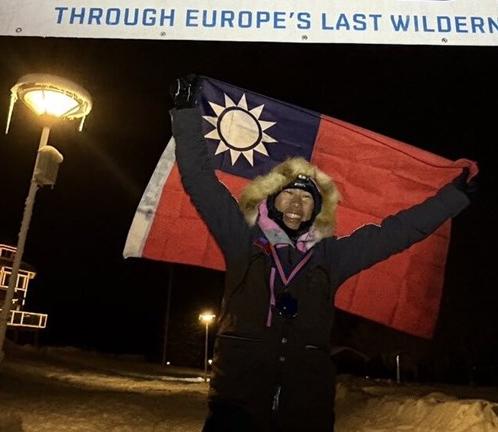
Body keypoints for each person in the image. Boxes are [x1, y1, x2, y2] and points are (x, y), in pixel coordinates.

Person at [169, 74, 476, 432]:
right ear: (270, 198)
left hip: (306, 409)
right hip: (237, 405)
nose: (296, 204)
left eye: (306, 198)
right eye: (288, 194)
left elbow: (397, 232)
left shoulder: (332, 257)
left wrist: (452, 200)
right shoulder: (242, 238)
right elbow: (199, 180)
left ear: (317, 210)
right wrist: (186, 110)